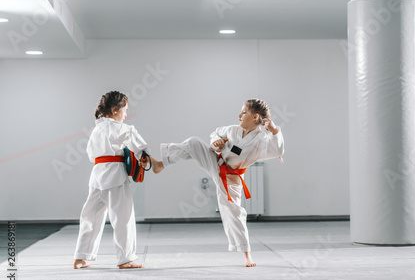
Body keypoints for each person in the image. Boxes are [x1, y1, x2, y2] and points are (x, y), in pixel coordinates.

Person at [150, 99, 284, 267]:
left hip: (231, 179)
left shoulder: (261, 140)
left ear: (255, 116)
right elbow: (216, 134)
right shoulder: (232, 130)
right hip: (215, 163)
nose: (239, 115)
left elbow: (278, 149)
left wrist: (274, 130)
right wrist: (215, 144)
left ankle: (246, 254)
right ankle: (161, 164)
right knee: (193, 143)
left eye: (243, 112)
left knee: (234, 212)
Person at [73, 91, 149, 269]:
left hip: (97, 175)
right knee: (123, 217)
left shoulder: (96, 130)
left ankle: (81, 257)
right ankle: (126, 258)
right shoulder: (124, 128)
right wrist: (146, 159)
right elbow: (143, 148)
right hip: (115, 175)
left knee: (90, 216)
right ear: (115, 110)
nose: (125, 115)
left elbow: (92, 156)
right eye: (125, 110)